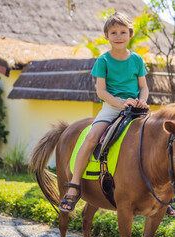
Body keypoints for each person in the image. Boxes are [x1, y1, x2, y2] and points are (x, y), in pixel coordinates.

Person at [59, 12, 149, 212]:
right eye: (113, 32)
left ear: (130, 34)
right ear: (106, 36)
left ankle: (165, 195)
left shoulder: (137, 60)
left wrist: (141, 102)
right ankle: (74, 186)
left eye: (123, 32)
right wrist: (120, 103)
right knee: (91, 137)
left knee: (159, 138)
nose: (119, 36)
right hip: (111, 108)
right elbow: (101, 91)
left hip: (136, 110)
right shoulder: (103, 61)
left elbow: (144, 87)